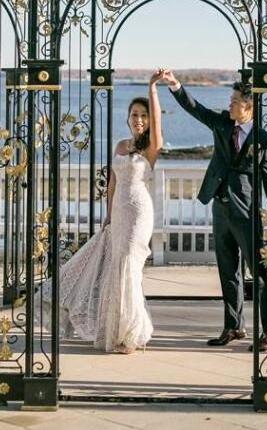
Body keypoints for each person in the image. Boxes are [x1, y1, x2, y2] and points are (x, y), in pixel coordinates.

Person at [37, 71, 164, 354]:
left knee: (129, 267)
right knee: (114, 269)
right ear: (128, 118)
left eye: (143, 115)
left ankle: (131, 334)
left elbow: (156, 124)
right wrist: (108, 216)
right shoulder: (121, 145)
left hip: (139, 212)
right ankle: (114, 331)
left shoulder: (151, 148)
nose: (139, 119)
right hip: (118, 213)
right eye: (134, 115)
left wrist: (151, 87)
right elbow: (113, 185)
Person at [160, 70, 267, 352]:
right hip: (220, 208)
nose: (229, 104)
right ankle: (234, 326)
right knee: (228, 271)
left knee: (260, 274)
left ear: (248, 106)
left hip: (248, 213)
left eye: (235, 100)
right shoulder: (223, 124)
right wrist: (176, 86)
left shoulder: (264, 140)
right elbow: (196, 109)